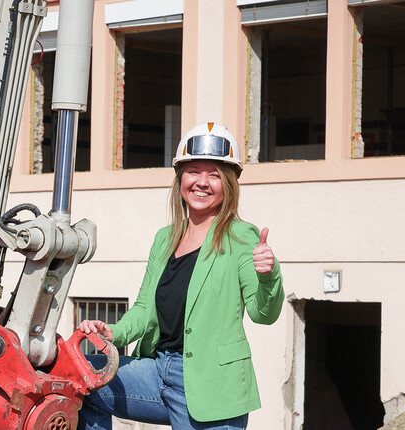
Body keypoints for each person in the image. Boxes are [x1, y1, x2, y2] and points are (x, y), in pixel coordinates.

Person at [76, 122, 283, 430]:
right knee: (80, 376)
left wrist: (269, 275)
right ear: (180, 178)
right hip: (158, 371)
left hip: (212, 383)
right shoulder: (165, 238)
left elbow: (263, 314)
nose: (202, 182)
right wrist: (112, 333)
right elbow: (145, 310)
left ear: (229, 183)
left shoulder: (242, 237)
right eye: (193, 172)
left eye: (214, 174)